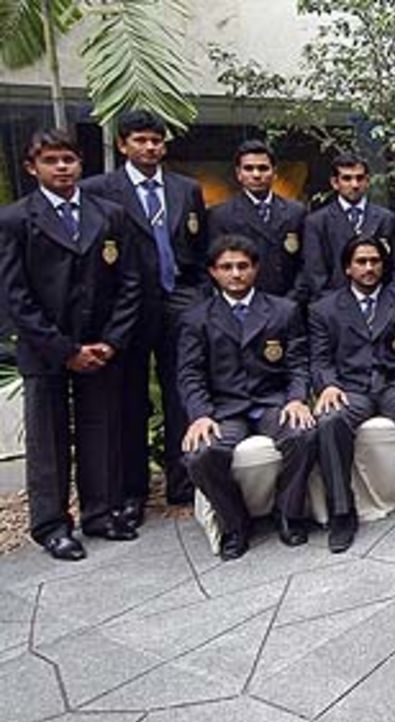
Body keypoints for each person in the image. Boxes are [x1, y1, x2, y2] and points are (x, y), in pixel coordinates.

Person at [0, 129, 143, 560]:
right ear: (32, 168)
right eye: (51, 161)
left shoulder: (110, 215)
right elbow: (14, 294)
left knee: (101, 430)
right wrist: (65, 350)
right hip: (46, 348)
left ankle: (100, 513)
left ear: (81, 164)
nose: (62, 167)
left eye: (68, 159)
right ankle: (51, 525)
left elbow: (131, 282)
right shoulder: (16, 219)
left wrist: (111, 341)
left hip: (100, 344)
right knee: (49, 438)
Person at [81, 108, 208, 515]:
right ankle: (133, 492)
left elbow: (199, 247)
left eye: (156, 140)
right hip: (128, 307)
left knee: (180, 392)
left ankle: (182, 481)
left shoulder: (186, 189)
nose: (150, 147)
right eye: (140, 140)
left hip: (179, 302)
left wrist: (199, 294)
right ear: (123, 145)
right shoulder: (99, 190)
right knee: (131, 398)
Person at [178, 235, 317, 560]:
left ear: (255, 269)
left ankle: (288, 513)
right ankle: (235, 523)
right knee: (200, 454)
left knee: (305, 433)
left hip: (272, 403)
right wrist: (200, 415)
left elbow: (298, 363)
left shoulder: (283, 311)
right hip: (224, 410)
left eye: (243, 266)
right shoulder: (196, 318)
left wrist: (297, 398)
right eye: (227, 267)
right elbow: (190, 374)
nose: (236, 274)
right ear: (213, 272)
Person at [310, 237, 395, 549]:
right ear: (347, 267)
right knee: (329, 421)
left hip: (393, 385)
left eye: (375, 261)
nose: (369, 268)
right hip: (350, 389)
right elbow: (319, 358)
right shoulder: (324, 309)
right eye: (361, 261)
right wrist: (327, 385)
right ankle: (342, 513)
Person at [207, 140, 309, 304]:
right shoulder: (220, 215)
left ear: (274, 172)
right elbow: (216, 265)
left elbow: (307, 263)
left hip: (290, 304)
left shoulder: (296, 212)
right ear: (239, 174)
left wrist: (292, 301)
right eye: (249, 169)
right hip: (243, 306)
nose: (256, 174)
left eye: (263, 168)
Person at [303, 153, 395, 295]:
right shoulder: (317, 222)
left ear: (367, 181)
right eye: (347, 178)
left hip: (380, 305)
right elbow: (315, 274)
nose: (354, 185)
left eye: (359, 178)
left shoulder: (386, 219)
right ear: (335, 183)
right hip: (332, 306)